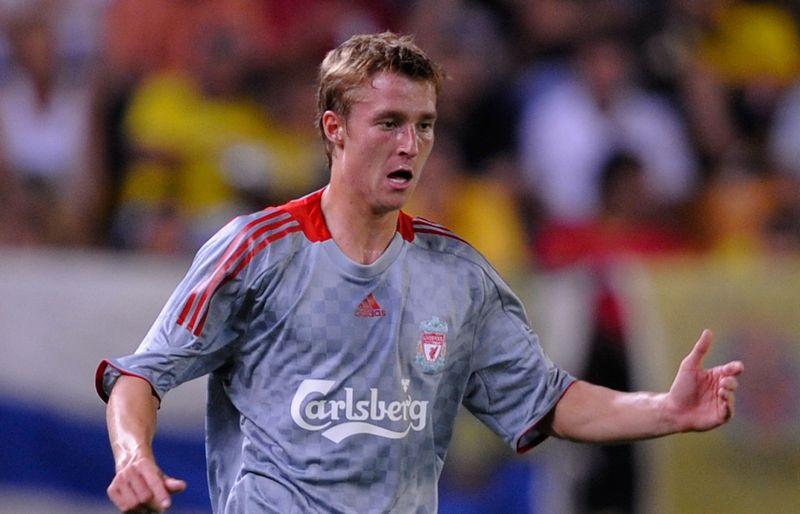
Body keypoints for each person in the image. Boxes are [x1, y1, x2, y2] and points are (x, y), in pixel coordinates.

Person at [95, 32, 743, 514]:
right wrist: (133, 457)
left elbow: (550, 400)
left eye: (424, 125)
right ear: (335, 129)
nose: (410, 145)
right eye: (389, 123)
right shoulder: (258, 250)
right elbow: (140, 375)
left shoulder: (456, 273)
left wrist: (664, 409)